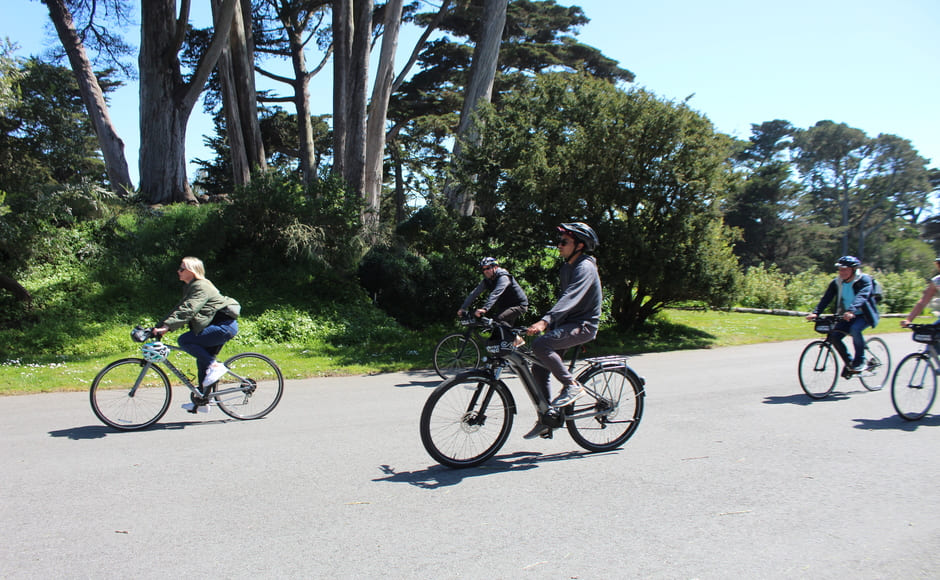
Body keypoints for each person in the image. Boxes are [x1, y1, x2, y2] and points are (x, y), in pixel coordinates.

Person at [523, 222, 602, 440]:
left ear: (579, 245)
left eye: (563, 242)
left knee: (541, 344)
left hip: (583, 326)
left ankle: (571, 386)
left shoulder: (585, 267)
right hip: (567, 325)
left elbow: (570, 299)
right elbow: (564, 302)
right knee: (538, 367)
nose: (558, 245)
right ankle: (548, 418)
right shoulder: (568, 267)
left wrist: (545, 321)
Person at [152, 256, 240, 412]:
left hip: (224, 327)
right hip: (215, 326)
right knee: (202, 363)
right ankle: (203, 401)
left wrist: (167, 328)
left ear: (191, 271)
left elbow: (189, 309)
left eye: (181, 268)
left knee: (185, 340)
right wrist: (158, 327)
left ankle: (216, 366)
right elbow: (179, 308)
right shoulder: (190, 287)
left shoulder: (201, 286)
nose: (178, 271)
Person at [806, 255, 880, 372]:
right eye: (840, 269)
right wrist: (816, 313)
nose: (842, 272)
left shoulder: (864, 280)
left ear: (853, 270)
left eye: (845, 269)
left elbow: (862, 296)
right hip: (847, 315)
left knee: (855, 329)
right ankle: (850, 364)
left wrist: (851, 310)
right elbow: (826, 298)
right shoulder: (837, 282)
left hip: (864, 315)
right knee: (834, 336)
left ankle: (859, 360)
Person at [457, 257, 529, 326]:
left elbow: (495, 293)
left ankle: (515, 338)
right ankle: (511, 338)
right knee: (499, 332)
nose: (485, 271)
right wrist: (463, 307)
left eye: (488, 268)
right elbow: (474, 293)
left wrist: (485, 308)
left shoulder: (503, 277)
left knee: (498, 320)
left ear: (495, 267)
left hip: (519, 305)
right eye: (483, 269)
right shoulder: (487, 281)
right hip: (504, 306)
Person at [900, 257, 940, 327]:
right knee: (929, 333)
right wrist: (909, 320)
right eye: (939, 264)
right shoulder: (937, 281)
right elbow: (922, 302)